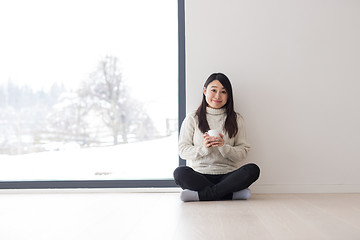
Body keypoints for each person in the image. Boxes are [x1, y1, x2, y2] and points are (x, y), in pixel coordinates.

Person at [173, 73, 260, 202]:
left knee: (252, 170)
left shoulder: (236, 119)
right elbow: (183, 150)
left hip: (228, 176)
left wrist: (224, 147)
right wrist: (203, 149)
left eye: (223, 92)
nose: (218, 96)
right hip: (200, 174)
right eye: (213, 90)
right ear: (204, 91)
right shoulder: (192, 118)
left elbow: (243, 152)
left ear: (228, 95)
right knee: (180, 173)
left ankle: (201, 195)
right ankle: (230, 195)